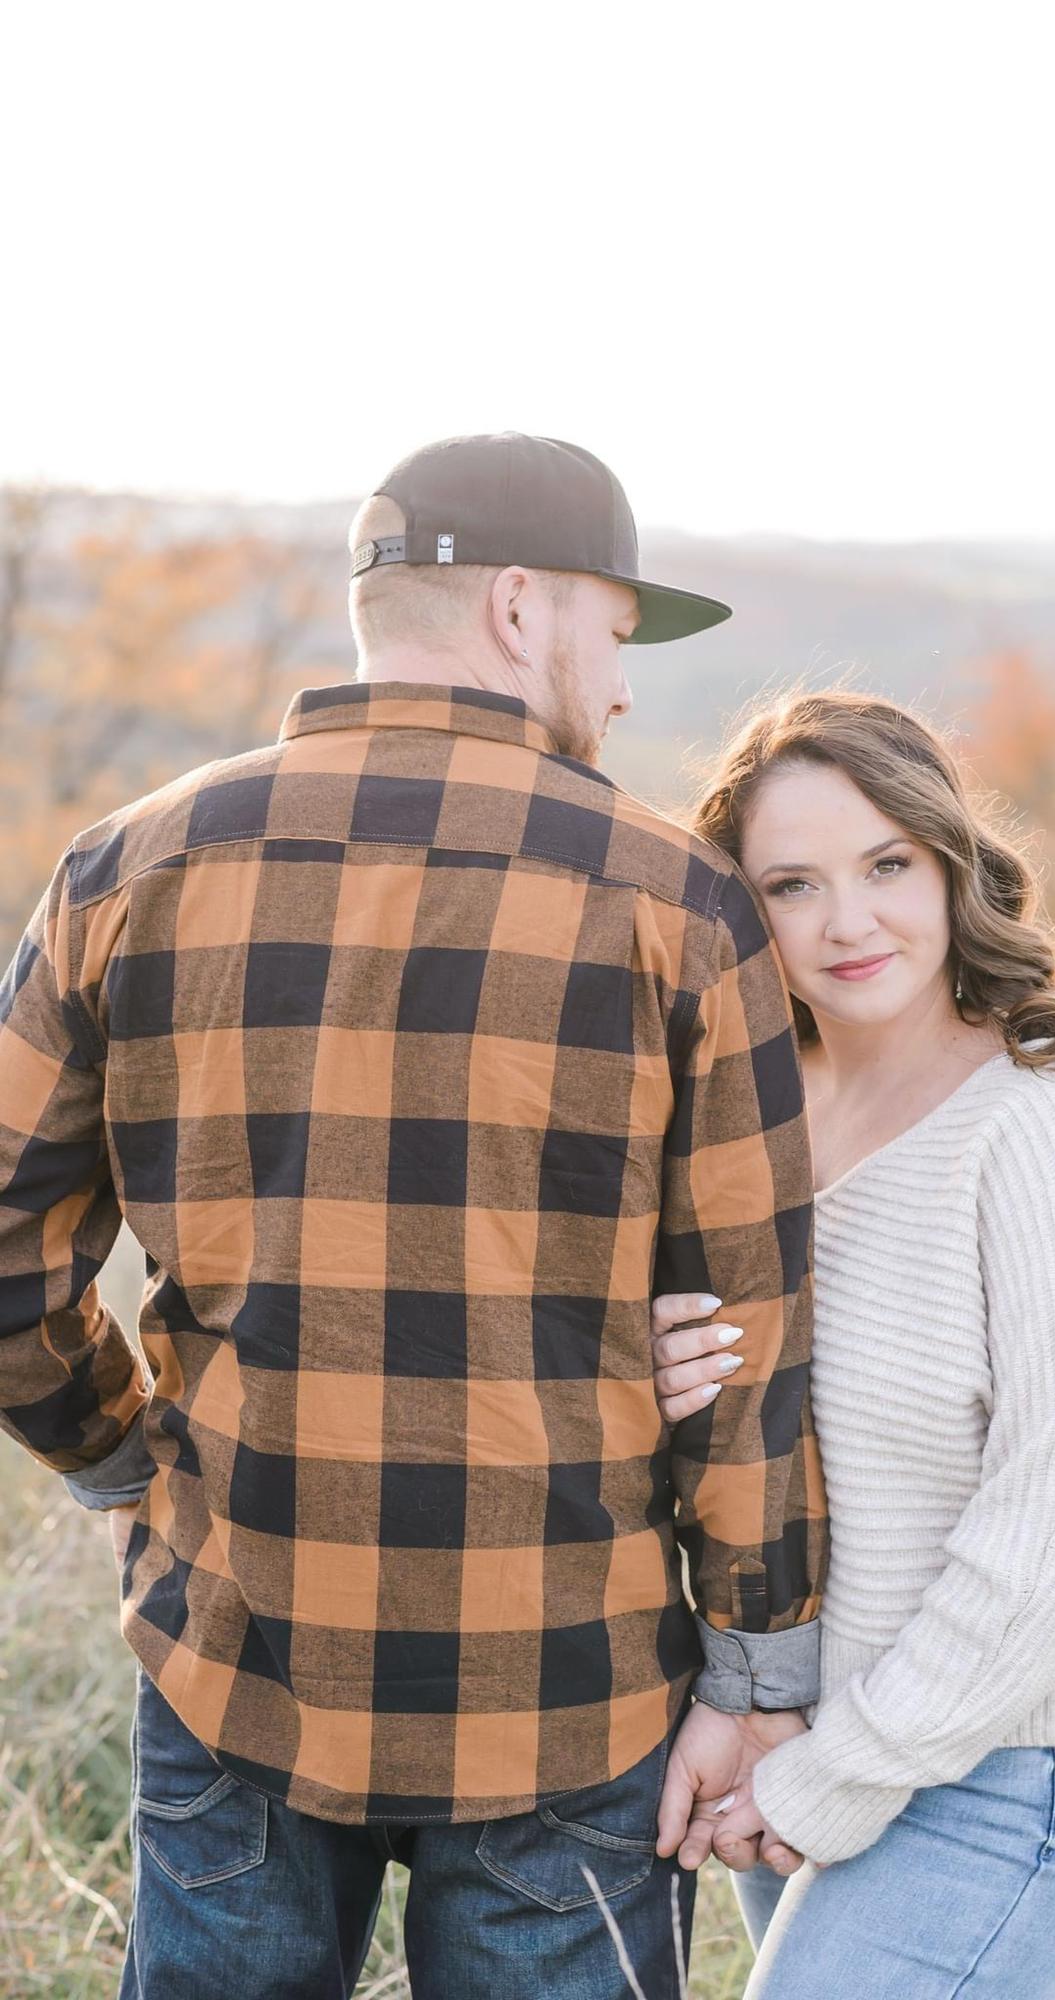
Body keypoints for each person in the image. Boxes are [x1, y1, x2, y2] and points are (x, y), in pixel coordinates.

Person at [0, 434, 828, 2000]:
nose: (624, 687)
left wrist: (124, 1459)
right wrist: (754, 1661)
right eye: (615, 632)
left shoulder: (126, 867)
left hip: (236, 1643)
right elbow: (744, 1331)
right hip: (566, 1684)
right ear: (518, 606)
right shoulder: (675, 905)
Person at [652, 688, 1055, 1997]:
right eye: (793, 886)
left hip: (1004, 1771)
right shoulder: (744, 1120)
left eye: (887, 866)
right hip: (807, 1733)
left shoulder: (1046, 1130)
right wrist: (654, 1375)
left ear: (953, 867)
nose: (848, 922)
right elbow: (750, 1449)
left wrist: (842, 1775)